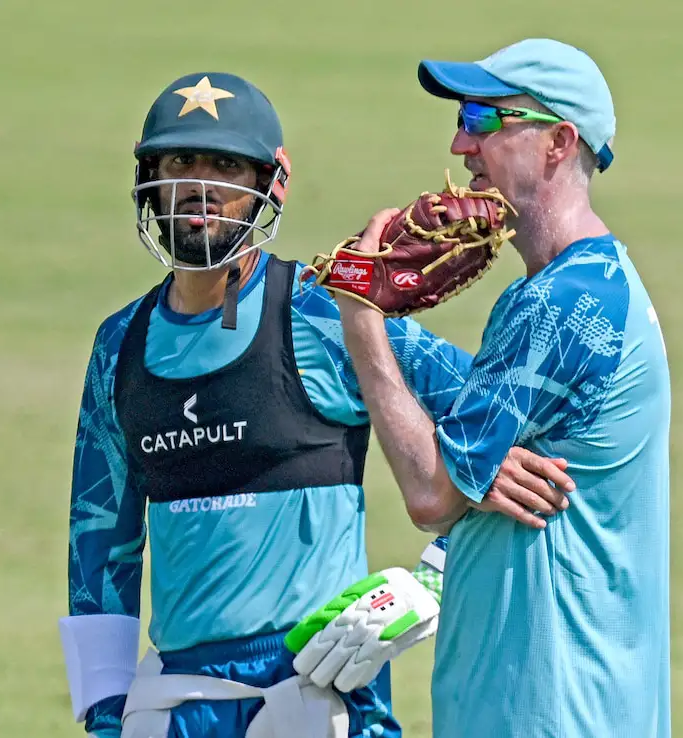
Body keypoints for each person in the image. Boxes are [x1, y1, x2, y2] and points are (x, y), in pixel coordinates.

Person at [58, 70, 575, 738]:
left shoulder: (324, 309)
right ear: (148, 176)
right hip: (178, 707)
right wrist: (105, 718)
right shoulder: (119, 346)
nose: (201, 187)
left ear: (271, 184)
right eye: (180, 161)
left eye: (226, 166)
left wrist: (436, 579)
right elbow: (99, 542)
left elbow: (509, 427)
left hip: (321, 695)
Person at [329, 39, 673, 738]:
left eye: (486, 118)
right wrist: (473, 461)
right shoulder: (588, 288)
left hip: (550, 712)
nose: (461, 143)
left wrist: (362, 317)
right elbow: (483, 414)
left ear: (558, 142)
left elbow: (430, 494)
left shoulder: (562, 303)